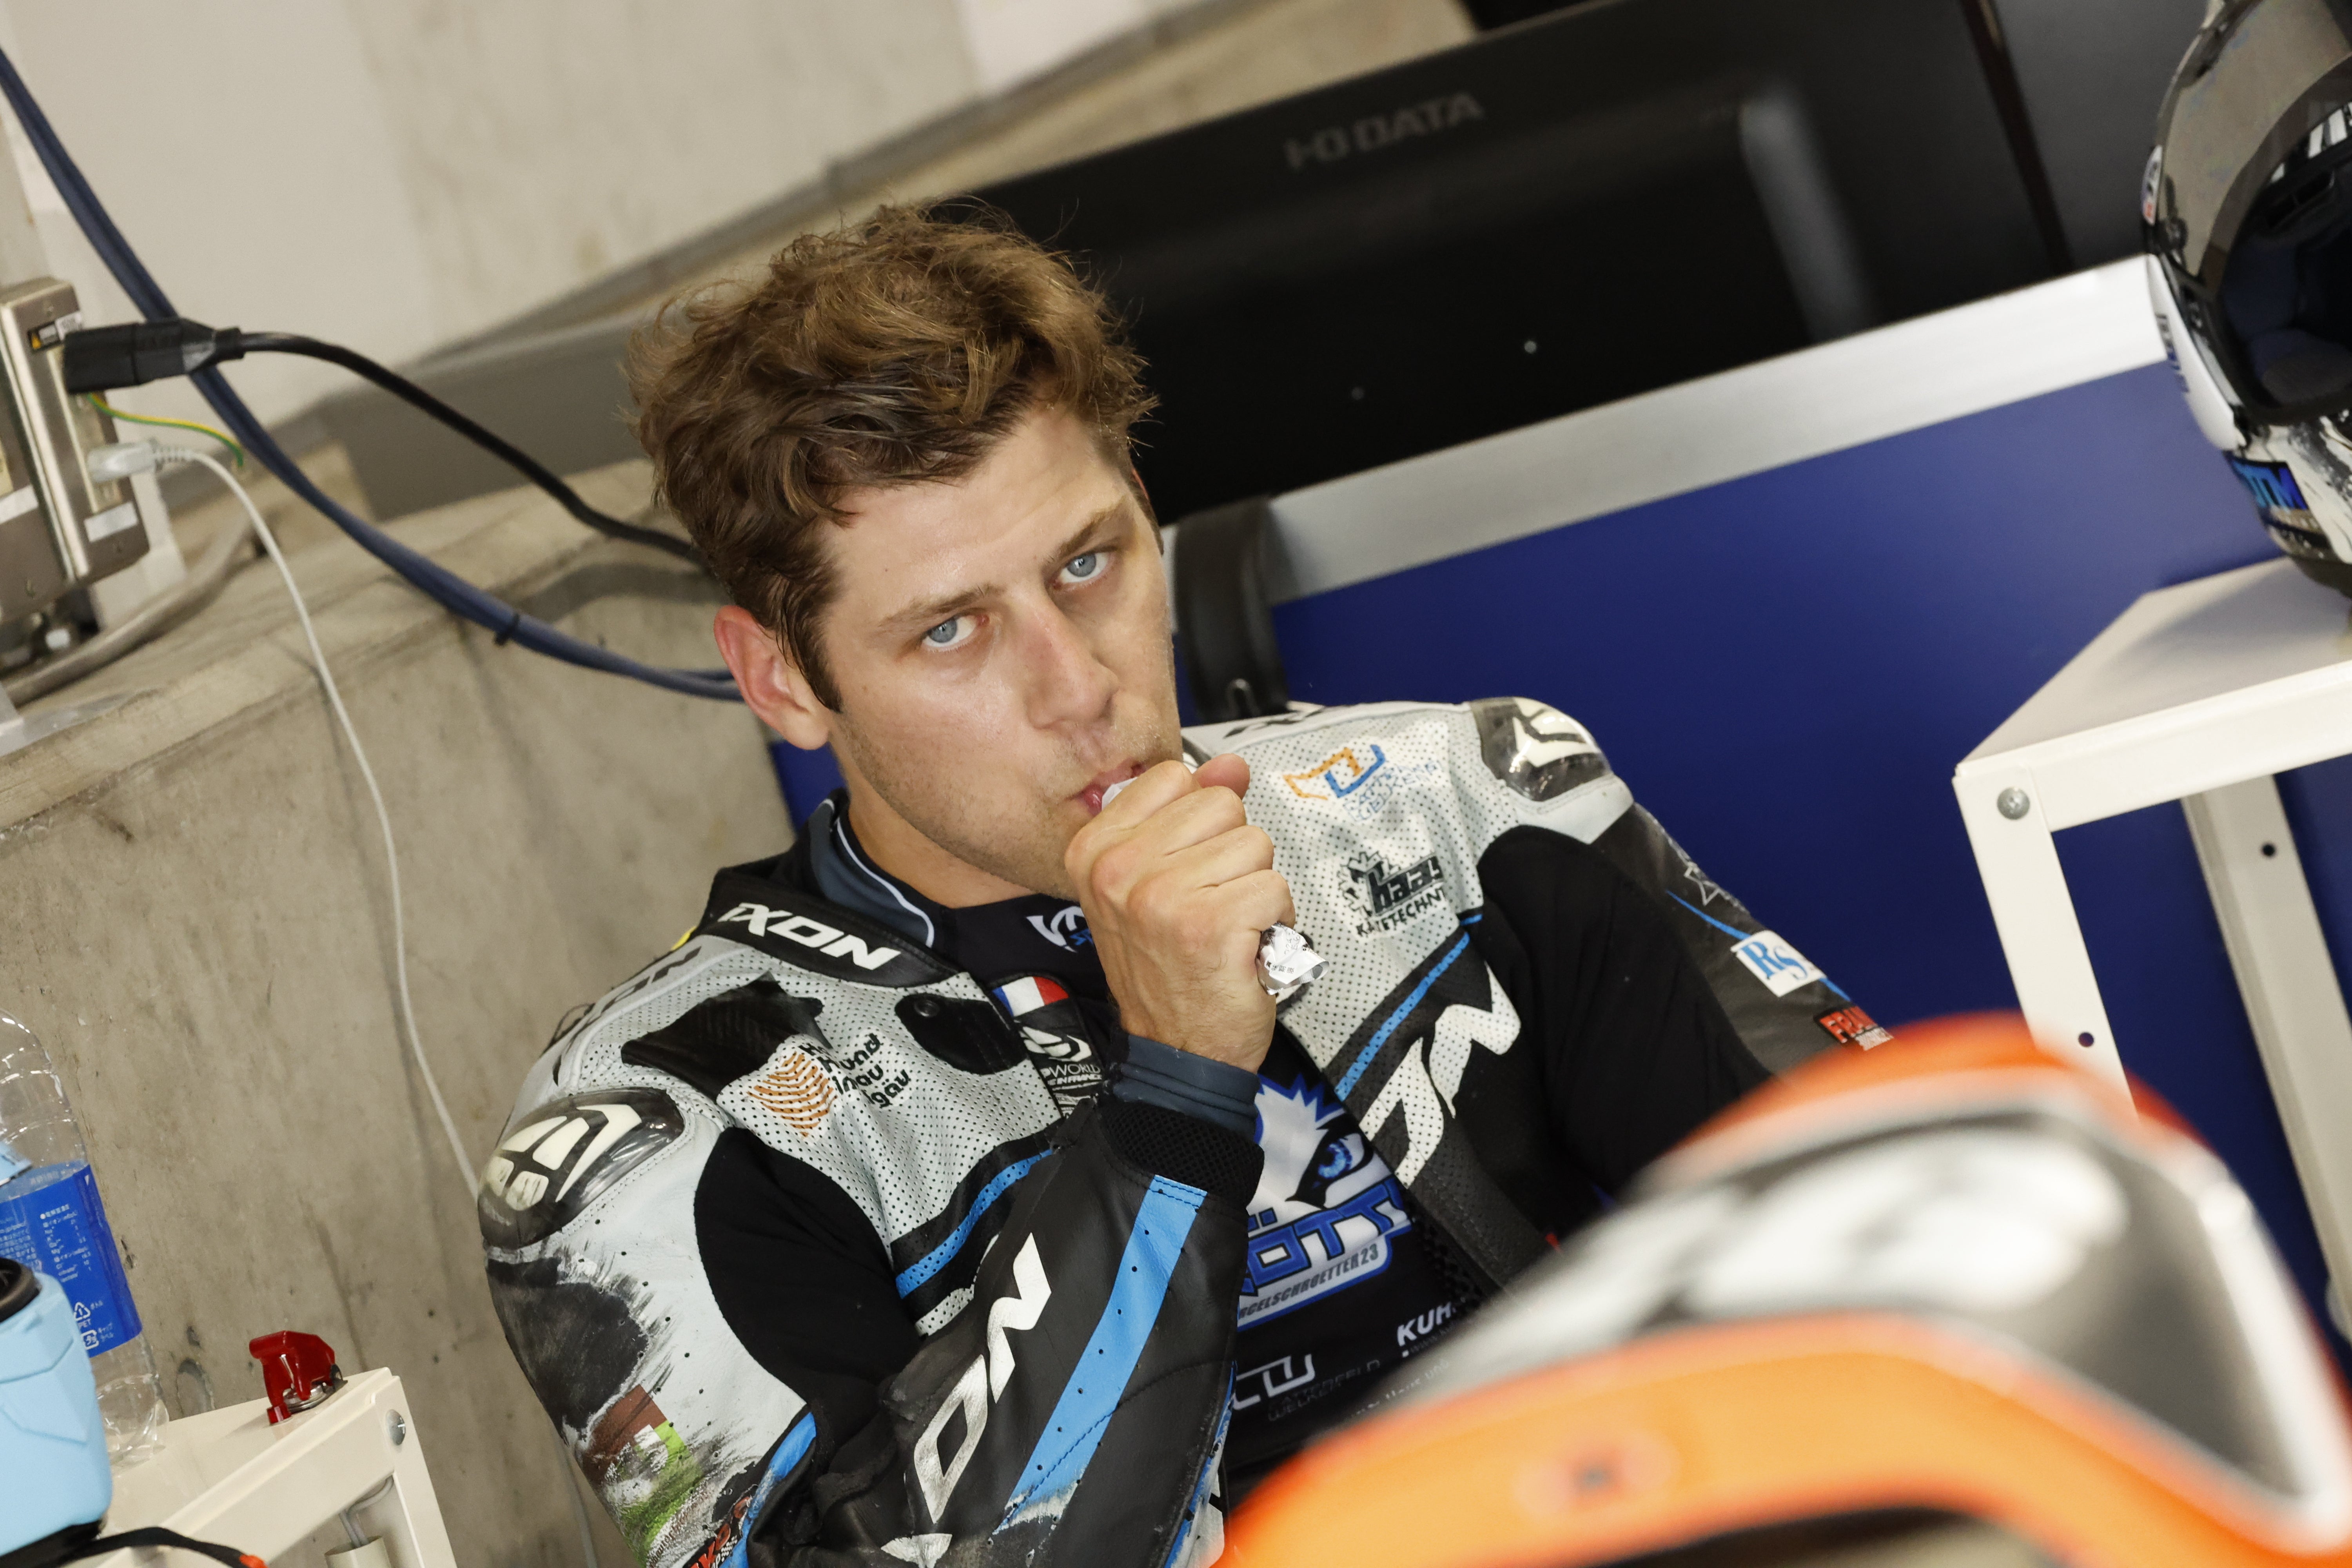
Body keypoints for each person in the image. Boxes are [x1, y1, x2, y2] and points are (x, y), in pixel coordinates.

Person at [477, 207, 1885, 1568]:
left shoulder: (1457, 795)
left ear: (1149, 518)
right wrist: (1173, 1092)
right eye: (952, 631)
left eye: (1088, 564)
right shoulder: (664, 1128)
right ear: (784, 679)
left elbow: (1897, 1223)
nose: (1078, 686)